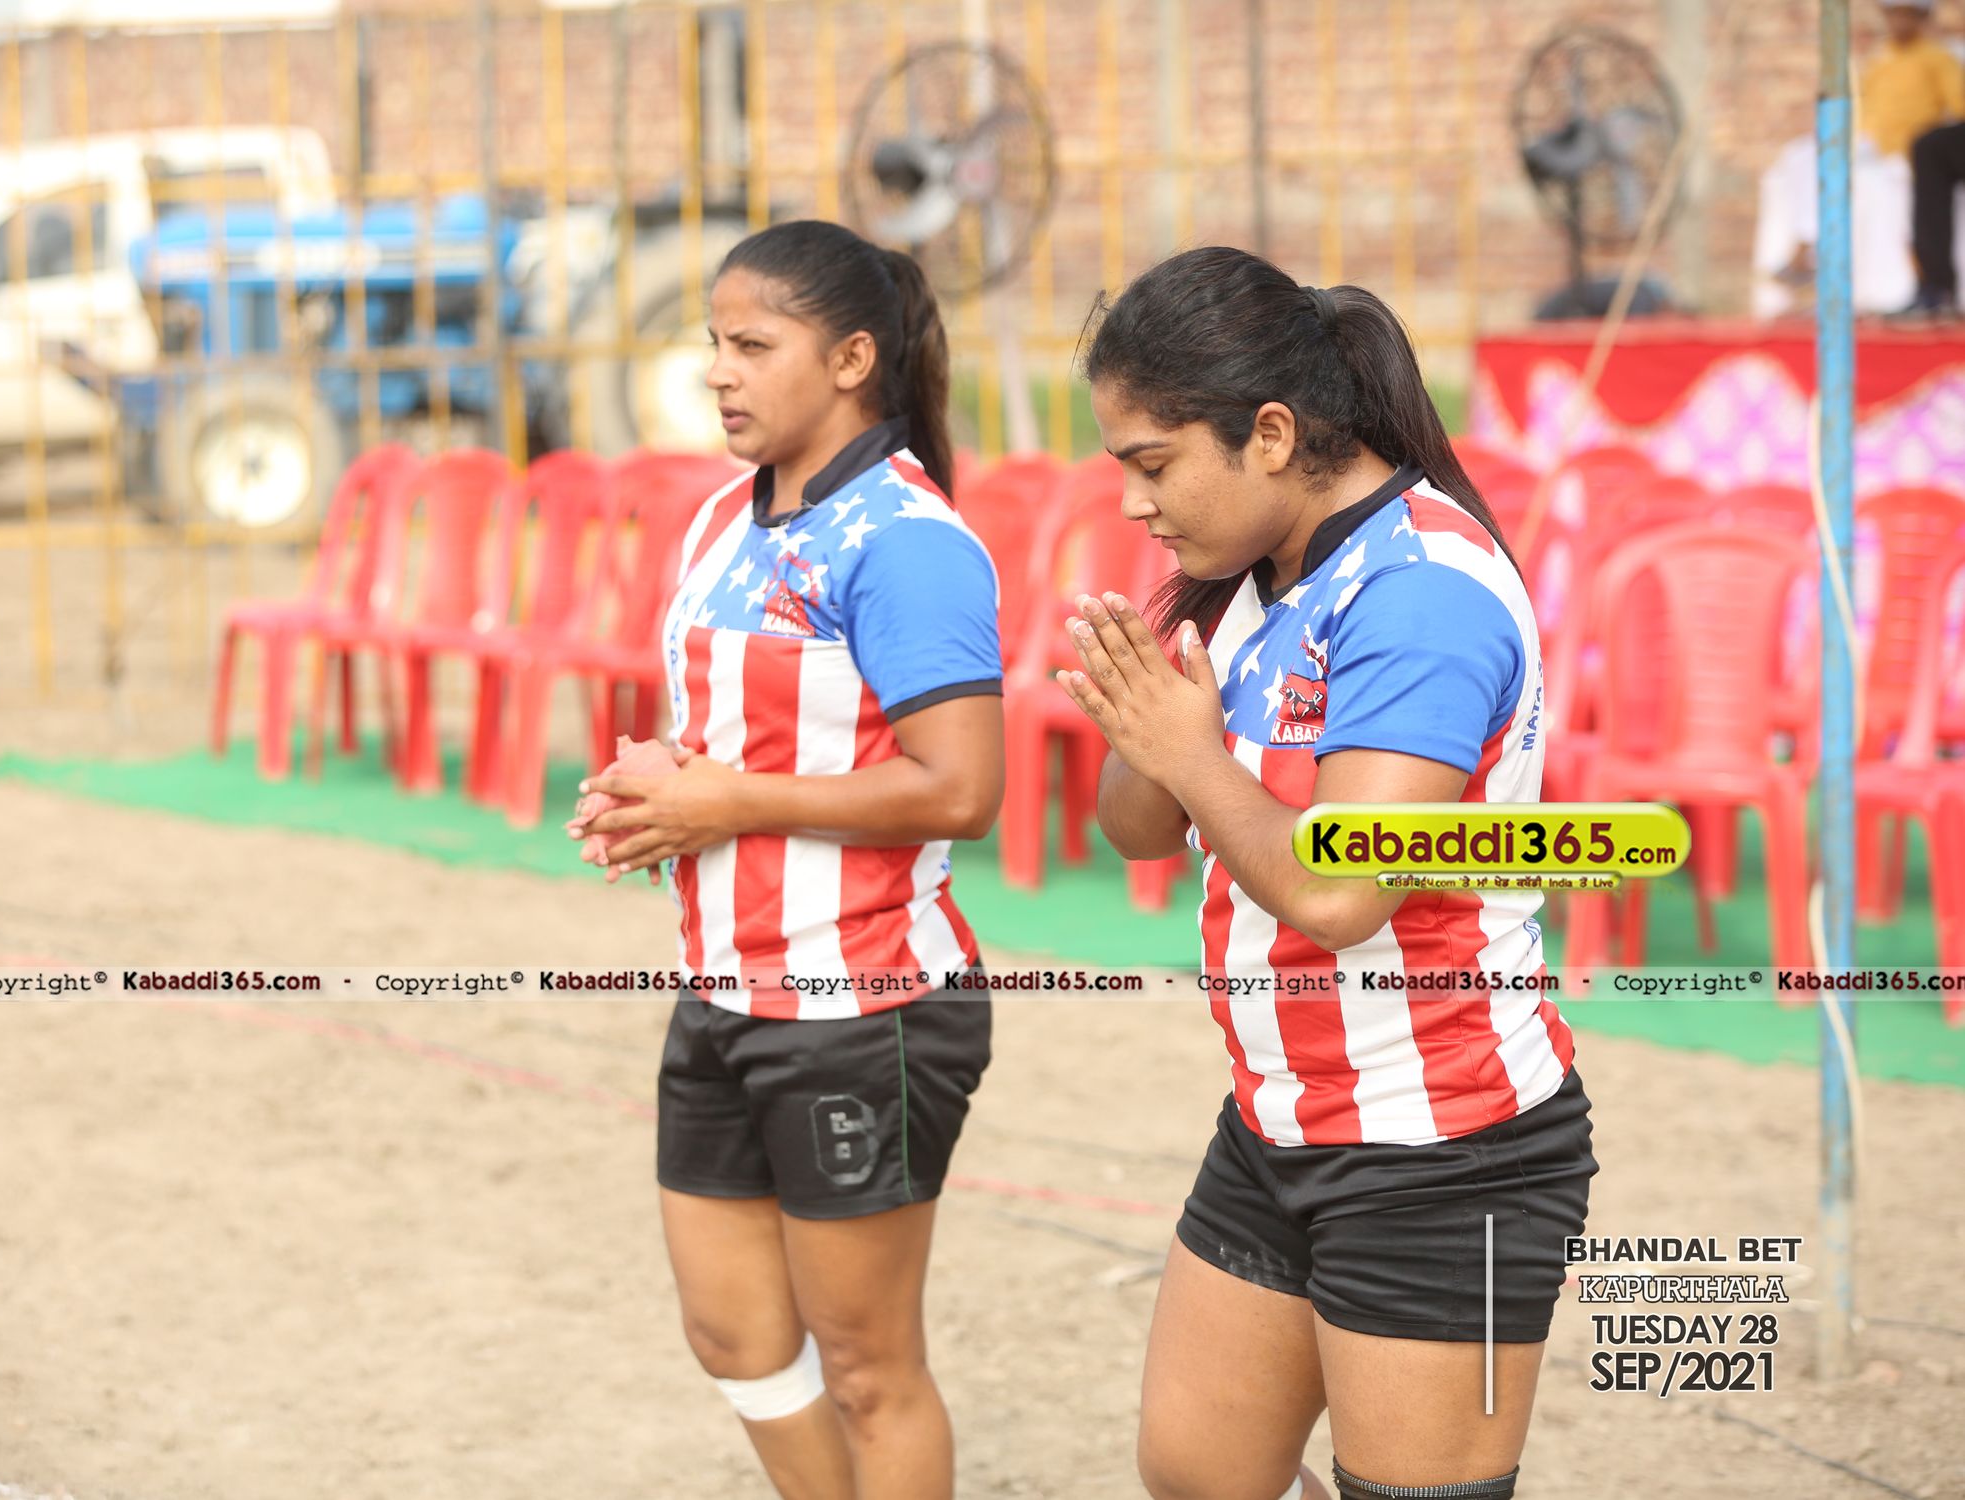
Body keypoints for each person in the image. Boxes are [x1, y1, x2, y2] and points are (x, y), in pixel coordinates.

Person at [1064, 246, 1597, 1500]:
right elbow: (1137, 831)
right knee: (1199, 1474)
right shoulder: (1251, 571)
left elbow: (1343, 895)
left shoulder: (1422, 594)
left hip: (1442, 1145)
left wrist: (1191, 754)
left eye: (1153, 464)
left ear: (1269, 433)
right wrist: (1147, 724)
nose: (1135, 503)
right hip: (1279, 1118)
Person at [565, 218, 1005, 1500]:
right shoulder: (724, 517)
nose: (719, 371)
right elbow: (742, 742)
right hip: (723, 989)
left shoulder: (906, 540)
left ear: (853, 359)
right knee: (735, 1335)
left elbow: (961, 788)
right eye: (714, 342)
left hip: (863, 1008)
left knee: (868, 1369)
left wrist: (726, 801)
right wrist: (655, 786)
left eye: (753, 346)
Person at [1866, 0, 1965, 316]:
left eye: (1907, 15)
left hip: (1911, 151)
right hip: (1883, 152)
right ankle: (1932, 290)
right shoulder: (1880, 59)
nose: (1900, 23)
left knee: (1925, 148)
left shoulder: (1938, 57)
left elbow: (1958, 105)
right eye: (1894, 15)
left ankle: (1934, 287)